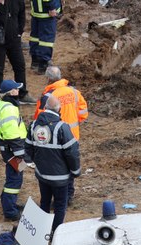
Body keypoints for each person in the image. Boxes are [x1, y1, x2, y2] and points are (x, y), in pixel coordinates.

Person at [25, 95, 80, 233]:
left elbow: (28, 148)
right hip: (60, 178)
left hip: (42, 175)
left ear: (45, 108)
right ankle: (55, 234)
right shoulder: (62, 127)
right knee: (60, 206)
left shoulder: (33, 125)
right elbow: (72, 153)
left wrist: (34, 162)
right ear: (59, 109)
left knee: (44, 202)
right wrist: (75, 170)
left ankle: (42, 233)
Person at [34, 66, 89, 205]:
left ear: (48, 78)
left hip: (54, 137)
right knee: (70, 163)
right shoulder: (74, 92)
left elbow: (39, 118)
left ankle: (59, 197)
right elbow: (83, 113)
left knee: (56, 166)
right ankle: (68, 195)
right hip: (73, 135)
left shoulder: (48, 96)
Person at [0, 0, 37, 103]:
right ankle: (0, 98)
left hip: (13, 38)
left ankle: (22, 94)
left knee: (20, 65)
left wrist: (19, 31)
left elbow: (21, 12)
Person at [0, 80, 28, 221]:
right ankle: (10, 211)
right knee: (14, 180)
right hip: (13, 150)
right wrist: (20, 152)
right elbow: (11, 133)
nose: (19, 91)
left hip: (10, 149)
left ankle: (10, 204)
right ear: (11, 92)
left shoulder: (5, 105)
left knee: (14, 176)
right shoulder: (9, 108)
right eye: (16, 89)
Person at [29, 0, 61, 74]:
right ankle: (43, 64)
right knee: (46, 40)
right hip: (46, 13)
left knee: (35, 37)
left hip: (36, 11)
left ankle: (35, 61)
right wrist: (52, 7)